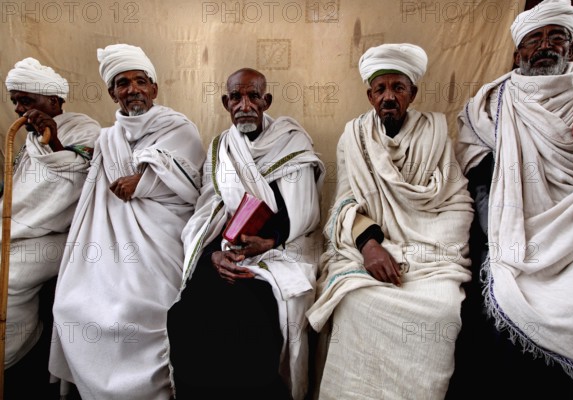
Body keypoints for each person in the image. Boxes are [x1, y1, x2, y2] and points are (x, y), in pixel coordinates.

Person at [448, 0, 573, 398]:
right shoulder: (493, 102)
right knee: (492, 303)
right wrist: (498, 218)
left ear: (571, 46)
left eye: (556, 37)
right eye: (535, 39)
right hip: (511, 224)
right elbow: (475, 165)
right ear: (518, 54)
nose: (545, 46)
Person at [306, 43, 474, 399]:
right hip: (372, 249)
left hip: (431, 255)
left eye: (398, 87)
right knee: (353, 303)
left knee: (442, 312)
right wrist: (370, 247)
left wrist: (424, 250)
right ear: (369, 96)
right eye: (380, 89)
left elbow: (456, 200)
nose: (388, 96)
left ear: (412, 93)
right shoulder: (354, 136)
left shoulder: (435, 133)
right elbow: (346, 203)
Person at [48, 44, 206, 400]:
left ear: (154, 88)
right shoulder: (108, 137)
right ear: (112, 92)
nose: (132, 89)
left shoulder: (178, 127)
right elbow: (94, 188)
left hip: (163, 234)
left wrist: (144, 181)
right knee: (72, 305)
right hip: (112, 237)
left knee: (142, 308)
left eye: (139, 81)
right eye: (122, 83)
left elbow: (190, 183)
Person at [166, 67, 325, 400]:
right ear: (226, 102)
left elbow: (306, 212)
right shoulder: (221, 148)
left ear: (266, 101)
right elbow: (207, 211)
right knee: (187, 313)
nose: (245, 104)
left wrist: (269, 241)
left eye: (254, 96)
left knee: (248, 317)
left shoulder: (291, 140)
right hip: (229, 250)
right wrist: (213, 254)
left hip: (281, 249)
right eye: (236, 97)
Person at [2, 57, 101, 399]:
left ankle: (15, 348)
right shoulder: (27, 139)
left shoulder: (85, 129)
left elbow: (81, 176)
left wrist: (54, 142)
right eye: (15, 101)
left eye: (26, 100)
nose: (19, 109)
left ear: (54, 101)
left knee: (8, 277)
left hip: (58, 237)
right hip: (15, 229)